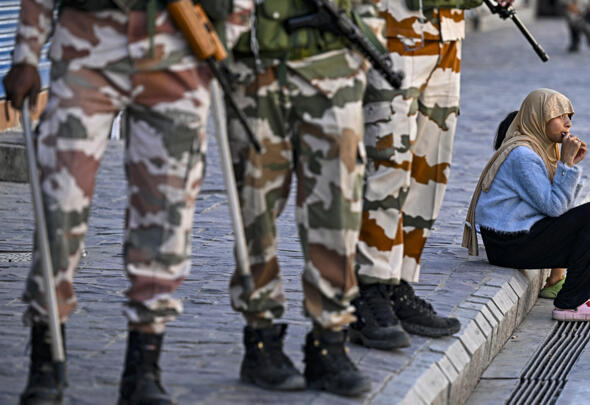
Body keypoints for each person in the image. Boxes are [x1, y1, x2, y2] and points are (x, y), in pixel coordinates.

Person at [2, 1, 243, 404]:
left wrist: (221, 42)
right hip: (88, 48)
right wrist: (27, 55)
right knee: (59, 203)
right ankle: (46, 351)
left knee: (166, 209)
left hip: (176, 47)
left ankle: (145, 362)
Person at [223, 0, 373, 397]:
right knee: (254, 208)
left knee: (338, 209)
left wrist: (359, 59)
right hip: (252, 65)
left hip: (331, 63)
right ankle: (261, 337)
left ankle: (330, 339)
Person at [350, 0, 492, 351]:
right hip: (395, 33)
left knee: (429, 170)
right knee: (388, 166)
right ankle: (368, 288)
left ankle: (398, 282)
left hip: (447, 35)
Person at [462, 88, 590, 322]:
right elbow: (554, 208)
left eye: (569, 116)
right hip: (508, 244)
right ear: (540, 118)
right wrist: (567, 165)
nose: (568, 123)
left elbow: (560, 206)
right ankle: (570, 303)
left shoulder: (540, 150)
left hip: (521, 235)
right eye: (561, 116)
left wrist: (567, 165)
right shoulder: (522, 155)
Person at [493, 112, 567, 300]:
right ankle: (556, 280)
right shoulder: (521, 161)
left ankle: (558, 279)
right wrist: (566, 165)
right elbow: (557, 208)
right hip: (512, 240)